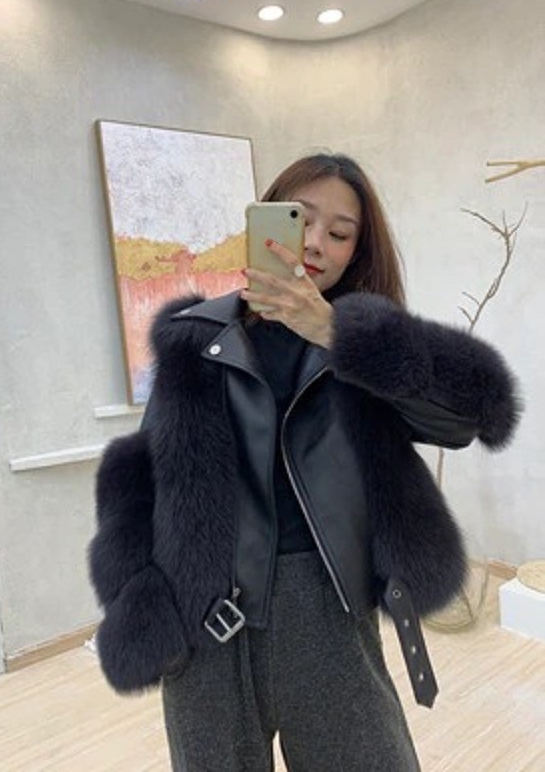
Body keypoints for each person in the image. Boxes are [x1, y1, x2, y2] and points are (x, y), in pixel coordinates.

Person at [88, 153, 521, 771]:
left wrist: (335, 333)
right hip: (206, 617)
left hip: (325, 609)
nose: (316, 243)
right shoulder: (194, 336)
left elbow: (471, 413)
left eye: (340, 233)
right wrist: (137, 594)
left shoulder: (365, 345)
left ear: (356, 253)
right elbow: (143, 472)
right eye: (301, 220)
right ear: (263, 219)